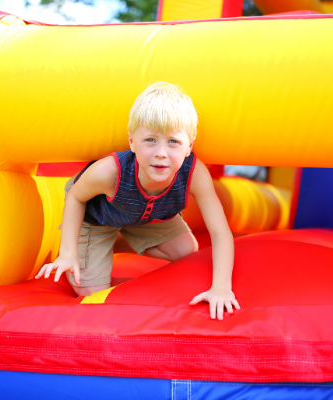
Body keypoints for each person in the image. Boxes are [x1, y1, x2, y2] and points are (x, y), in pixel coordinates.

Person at [36, 82, 240, 320]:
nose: (161, 153)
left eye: (173, 142)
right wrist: (68, 252)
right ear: (132, 141)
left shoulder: (194, 173)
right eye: (150, 140)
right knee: (91, 291)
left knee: (187, 250)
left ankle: (118, 240)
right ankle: (103, 240)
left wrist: (222, 287)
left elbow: (220, 233)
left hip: (146, 216)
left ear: (189, 147)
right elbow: (75, 197)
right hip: (98, 219)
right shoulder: (109, 172)